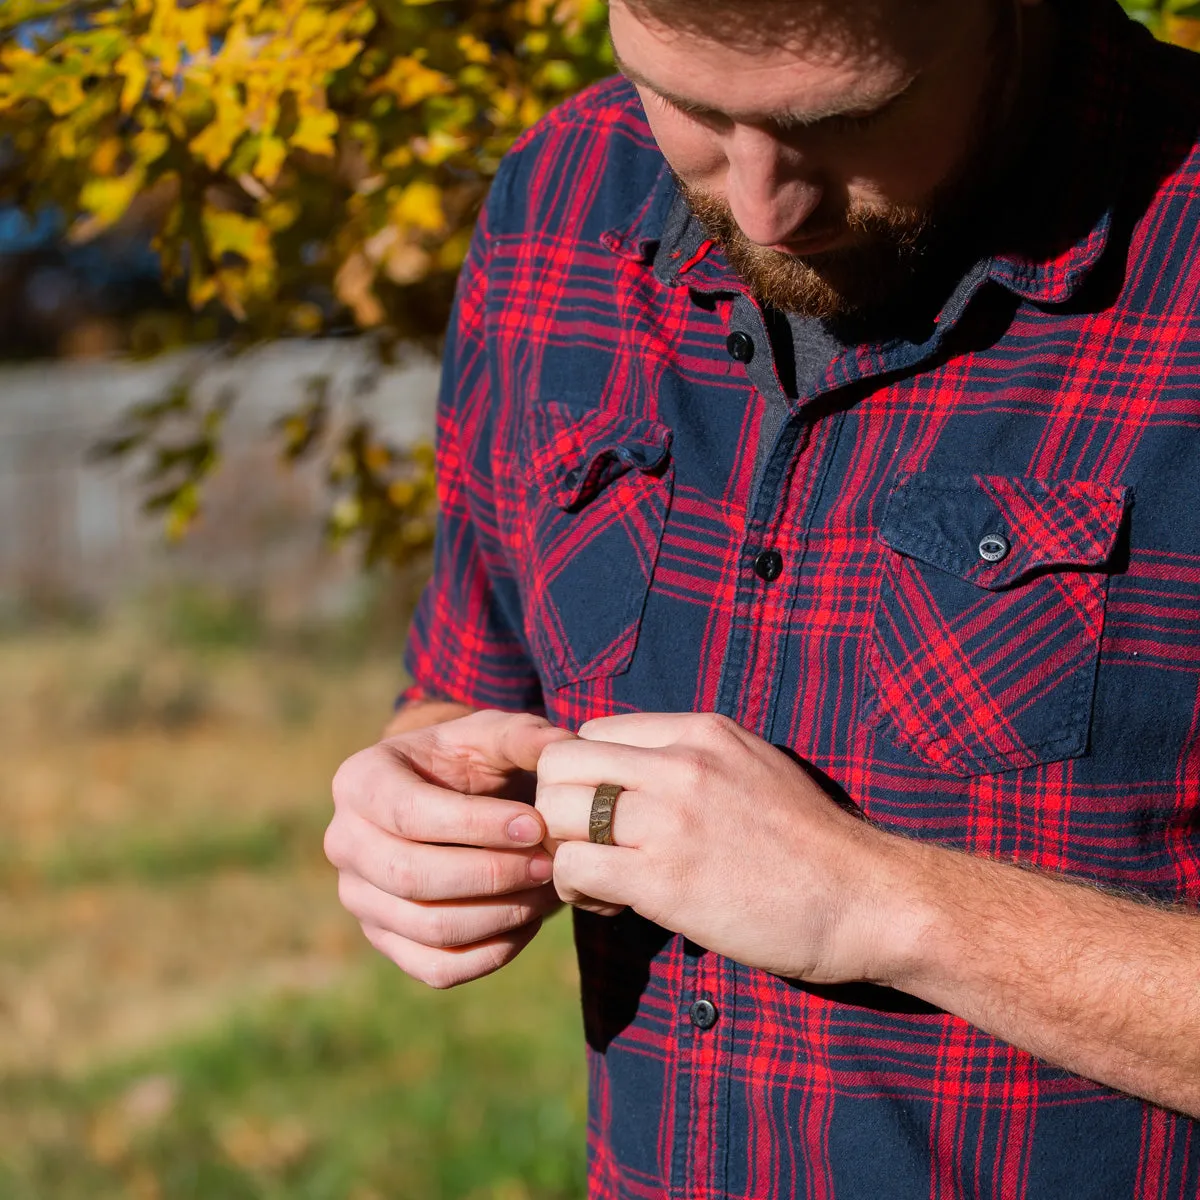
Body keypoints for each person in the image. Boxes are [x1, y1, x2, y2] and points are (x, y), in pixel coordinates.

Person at [325, 0, 1200, 1194]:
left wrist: (878, 904)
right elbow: (463, 690)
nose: (761, 203)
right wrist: (418, 810)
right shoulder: (559, 203)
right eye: (686, 103)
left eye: (843, 118)